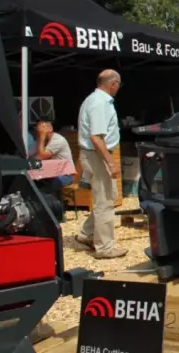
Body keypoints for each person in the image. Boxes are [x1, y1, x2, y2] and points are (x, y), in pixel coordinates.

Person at [75, 69, 128, 259]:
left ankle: (86, 233)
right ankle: (105, 248)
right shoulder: (100, 103)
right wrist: (111, 162)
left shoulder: (92, 100)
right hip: (97, 155)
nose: (118, 89)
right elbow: (96, 137)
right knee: (104, 201)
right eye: (118, 85)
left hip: (91, 155)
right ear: (113, 83)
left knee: (108, 197)